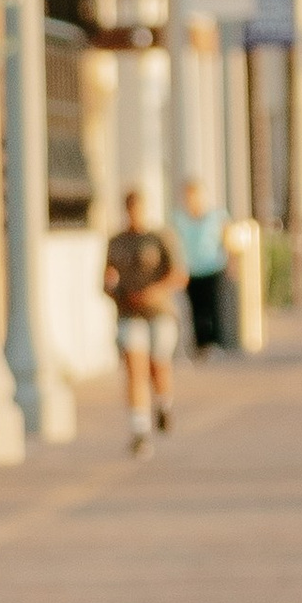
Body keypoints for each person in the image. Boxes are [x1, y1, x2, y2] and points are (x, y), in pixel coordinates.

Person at [102, 187, 186, 452]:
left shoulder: (158, 238)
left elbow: (178, 274)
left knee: (157, 366)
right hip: (130, 312)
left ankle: (163, 403)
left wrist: (155, 292)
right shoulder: (116, 242)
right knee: (134, 369)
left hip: (159, 313)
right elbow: (105, 277)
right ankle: (139, 429)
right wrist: (115, 291)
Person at [170, 179, 229, 357]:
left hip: (213, 266)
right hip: (191, 270)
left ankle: (216, 343)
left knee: (214, 306)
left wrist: (231, 262)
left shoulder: (216, 216)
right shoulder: (178, 219)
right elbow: (175, 245)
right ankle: (200, 344)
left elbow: (226, 238)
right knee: (196, 308)